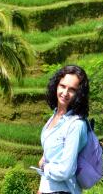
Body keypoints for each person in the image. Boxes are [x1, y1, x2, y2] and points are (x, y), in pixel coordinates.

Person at [36, 65, 89, 194]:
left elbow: (66, 170)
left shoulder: (76, 125)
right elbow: (50, 156)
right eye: (62, 86)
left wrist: (44, 167)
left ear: (79, 94)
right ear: (56, 86)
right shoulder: (54, 117)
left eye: (72, 90)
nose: (65, 93)